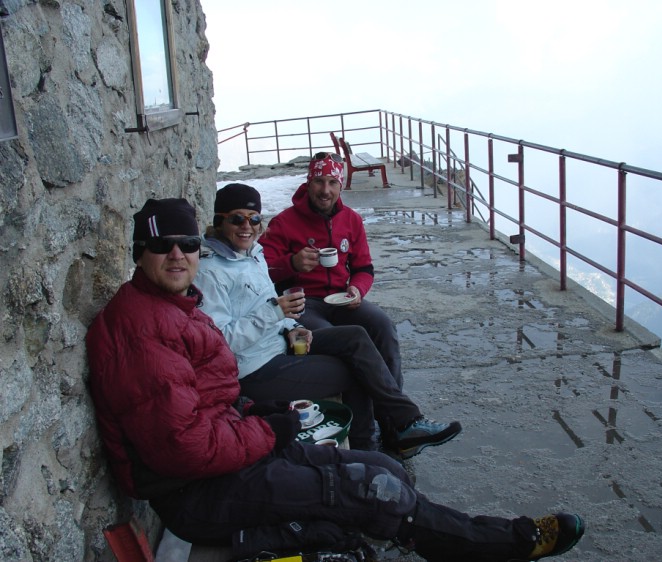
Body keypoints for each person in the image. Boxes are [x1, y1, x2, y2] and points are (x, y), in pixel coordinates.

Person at [85, 197, 585, 561]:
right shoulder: (143, 331)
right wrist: (267, 429)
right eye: (162, 246)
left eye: (186, 244)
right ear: (139, 253)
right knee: (371, 488)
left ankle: (376, 483)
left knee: (369, 464)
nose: (178, 255)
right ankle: (506, 543)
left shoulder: (170, 307)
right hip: (200, 492)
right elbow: (185, 446)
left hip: (226, 460)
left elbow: (205, 405)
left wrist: (261, 418)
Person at [193, 183, 460, 457]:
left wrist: (293, 327)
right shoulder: (210, 272)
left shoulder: (252, 254)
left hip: (278, 342)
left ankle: (406, 423)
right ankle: (367, 450)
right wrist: (276, 311)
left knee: (355, 336)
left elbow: (361, 268)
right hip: (255, 368)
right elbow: (221, 343)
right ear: (219, 221)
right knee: (356, 371)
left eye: (254, 219)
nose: (246, 226)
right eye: (237, 219)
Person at [262, 153, 404, 389]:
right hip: (303, 304)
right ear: (308, 184)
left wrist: (357, 290)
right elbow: (262, 270)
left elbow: (364, 268)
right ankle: (364, 420)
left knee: (383, 327)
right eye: (319, 181)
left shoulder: (351, 220)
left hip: (341, 299)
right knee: (341, 341)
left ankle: (394, 410)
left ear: (340, 186)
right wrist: (293, 263)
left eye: (332, 182)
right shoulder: (284, 222)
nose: (325, 190)